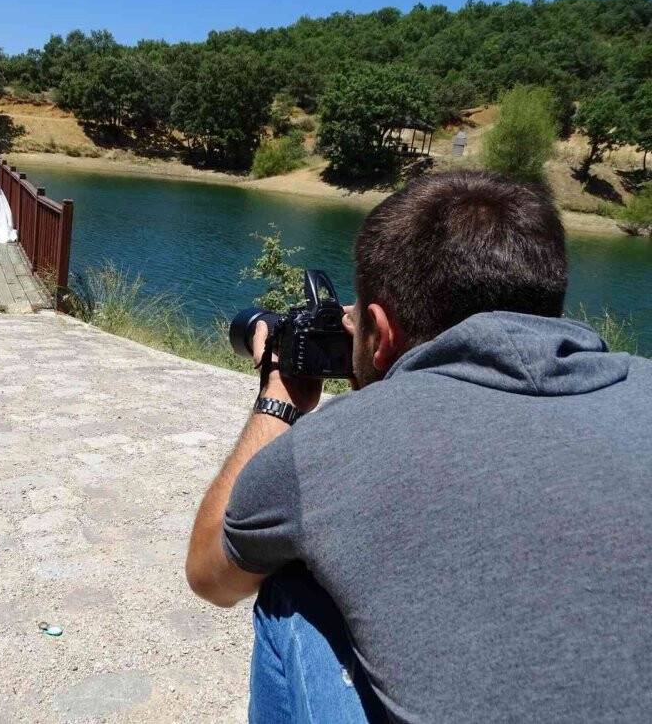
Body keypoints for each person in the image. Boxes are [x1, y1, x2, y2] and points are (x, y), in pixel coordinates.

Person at [185, 170, 651, 723]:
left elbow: (210, 574)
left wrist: (280, 393)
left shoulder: (324, 452)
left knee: (291, 588)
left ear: (378, 332)